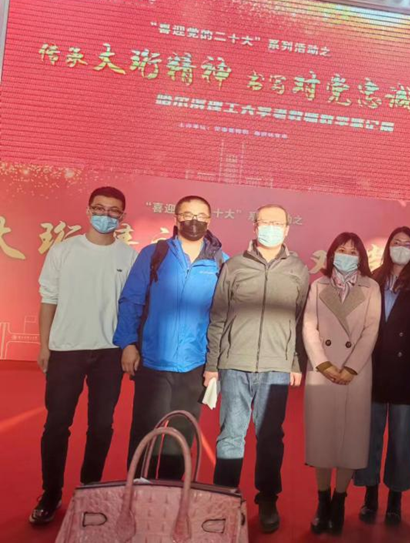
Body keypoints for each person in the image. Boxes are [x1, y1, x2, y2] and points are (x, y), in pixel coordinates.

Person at [30, 187, 138, 526]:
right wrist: (45, 345)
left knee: (101, 426)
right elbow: (48, 299)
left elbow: (132, 306)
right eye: (99, 208)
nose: (106, 215)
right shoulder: (63, 251)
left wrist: (129, 345)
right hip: (66, 350)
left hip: (109, 353)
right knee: (56, 425)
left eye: (113, 210)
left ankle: (90, 491)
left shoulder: (128, 257)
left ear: (122, 217)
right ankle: (51, 493)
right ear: (88, 210)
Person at [204, 204, 309, 533]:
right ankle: (224, 499)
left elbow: (301, 321)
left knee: (270, 438)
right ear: (254, 226)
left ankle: (267, 499)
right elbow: (218, 317)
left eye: (278, 223)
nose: (271, 228)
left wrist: (295, 363)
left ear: (287, 229)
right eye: (265, 222)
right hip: (235, 364)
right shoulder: (234, 266)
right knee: (230, 437)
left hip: (276, 368)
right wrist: (212, 365)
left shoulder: (298, 270)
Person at [114, 195, 226, 480]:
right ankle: (138, 488)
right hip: (153, 360)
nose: (193, 221)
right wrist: (128, 344)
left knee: (181, 434)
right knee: (145, 432)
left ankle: (172, 492)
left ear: (209, 220)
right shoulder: (155, 254)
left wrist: (215, 365)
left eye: (200, 215)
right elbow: (132, 300)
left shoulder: (221, 263)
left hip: (195, 364)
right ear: (176, 218)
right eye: (187, 214)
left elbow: (223, 318)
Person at [354, 227, 410, 526]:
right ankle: (370, 495)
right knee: (371, 436)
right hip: (375, 370)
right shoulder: (374, 279)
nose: (401, 248)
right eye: (397, 243)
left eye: (408, 244)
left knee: (401, 440)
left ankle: (395, 499)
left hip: (408, 373)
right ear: (389, 246)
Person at [303, 232, 381, 536]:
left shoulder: (371, 287)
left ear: (361, 257)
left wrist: (350, 367)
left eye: (352, 251)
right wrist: (323, 364)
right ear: (332, 253)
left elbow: (371, 330)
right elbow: (309, 327)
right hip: (322, 370)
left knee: (351, 438)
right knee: (322, 437)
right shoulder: (318, 286)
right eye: (341, 249)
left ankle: (339, 499)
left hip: (355, 372)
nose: (346, 255)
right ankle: (322, 500)